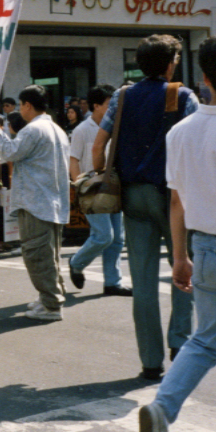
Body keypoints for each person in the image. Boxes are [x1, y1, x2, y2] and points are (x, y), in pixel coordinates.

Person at [138, 35, 216, 432]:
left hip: (204, 248)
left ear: (203, 77)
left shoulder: (180, 132)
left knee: (204, 342)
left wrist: (180, 256)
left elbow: (176, 200)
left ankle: (162, 409)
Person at [92, 34, 197, 380]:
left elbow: (99, 145)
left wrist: (100, 174)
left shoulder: (122, 96)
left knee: (143, 279)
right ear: (170, 64)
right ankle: (179, 341)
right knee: (182, 269)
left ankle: (150, 361)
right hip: (174, 197)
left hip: (133, 196)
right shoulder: (182, 96)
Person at [0, 85, 70, 321]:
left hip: (36, 201)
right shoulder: (55, 129)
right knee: (48, 255)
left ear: (28, 105)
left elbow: (8, 153)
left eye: (21, 105)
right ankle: (49, 298)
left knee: (38, 255)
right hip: (50, 200)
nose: (21, 109)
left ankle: (51, 304)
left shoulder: (34, 130)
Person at [67, 84, 132, 297]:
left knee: (117, 238)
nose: (113, 107)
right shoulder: (82, 130)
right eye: (108, 104)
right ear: (96, 106)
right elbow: (73, 160)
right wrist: (80, 185)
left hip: (114, 186)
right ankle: (76, 262)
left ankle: (112, 282)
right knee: (104, 236)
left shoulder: (116, 125)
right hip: (93, 189)